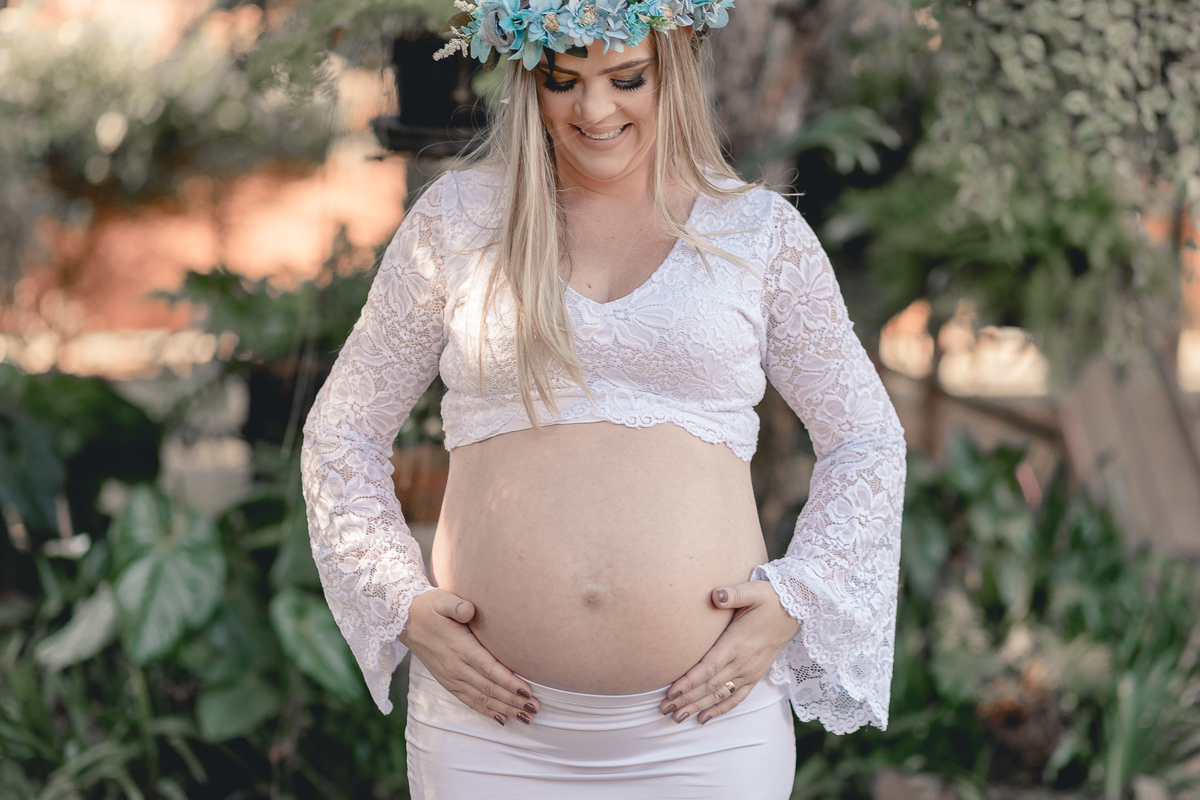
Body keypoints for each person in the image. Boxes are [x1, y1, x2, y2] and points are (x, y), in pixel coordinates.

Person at [300, 1, 906, 797]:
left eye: (627, 79)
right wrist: (398, 602)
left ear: (672, 69)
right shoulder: (458, 221)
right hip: (487, 736)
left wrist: (797, 599)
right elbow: (341, 432)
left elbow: (866, 438)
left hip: (707, 736)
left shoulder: (756, 233)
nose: (593, 109)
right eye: (563, 81)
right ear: (528, 77)